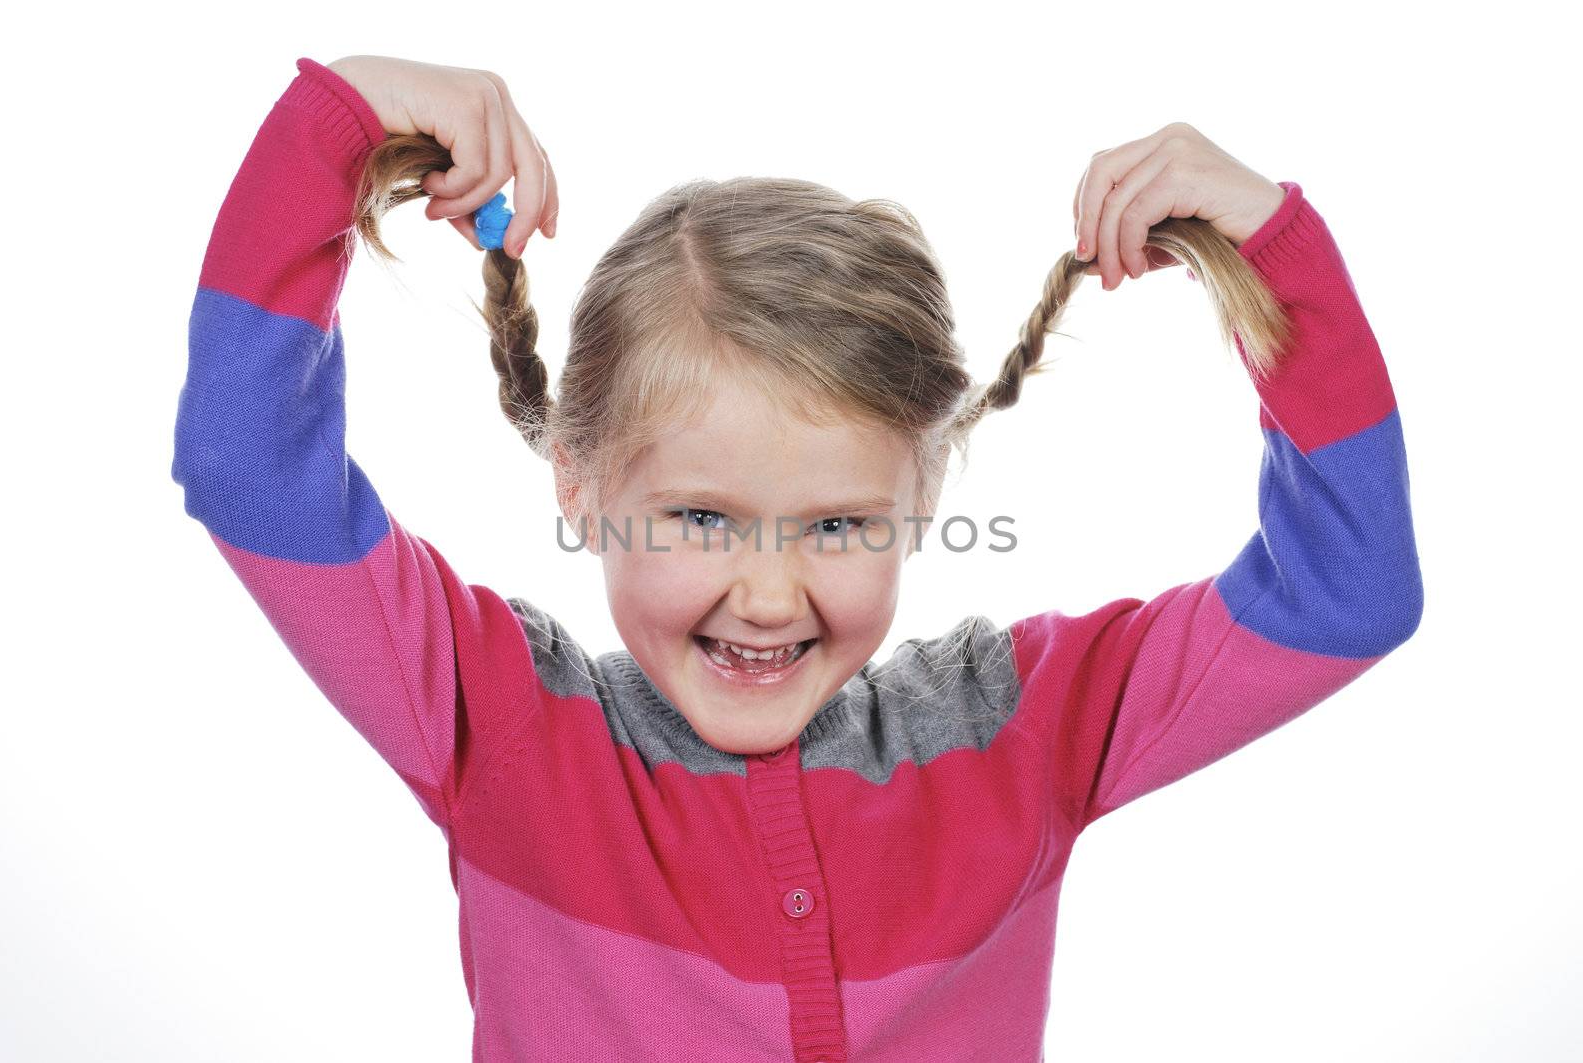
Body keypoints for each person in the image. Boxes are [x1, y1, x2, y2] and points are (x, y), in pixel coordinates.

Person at [171, 53, 1424, 1062]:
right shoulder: (500, 719)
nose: (768, 596)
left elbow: (1345, 590)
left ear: (920, 495)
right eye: (702, 519)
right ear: (581, 482)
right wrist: (342, 126)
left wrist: (1274, 258)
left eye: (836, 525)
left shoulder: (1026, 726)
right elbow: (248, 467)